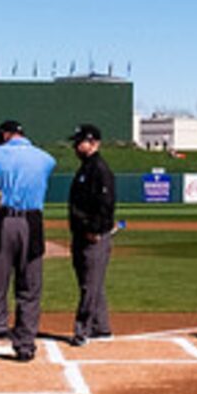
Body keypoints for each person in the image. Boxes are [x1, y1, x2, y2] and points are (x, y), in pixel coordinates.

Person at [0, 119, 55, 362]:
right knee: (29, 288)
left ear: (5, 135)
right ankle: (25, 346)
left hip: (2, 221)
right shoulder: (47, 159)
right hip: (33, 223)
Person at [64, 124, 117, 344]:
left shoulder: (99, 169)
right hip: (81, 233)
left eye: (80, 142)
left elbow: (106, 204)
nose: (76, 146)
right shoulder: (86, 167)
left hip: (92, 236)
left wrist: (95, 229)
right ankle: (101, 327)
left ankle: (82, 330)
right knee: (91, 283)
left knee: (90, 285)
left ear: (93, 143)